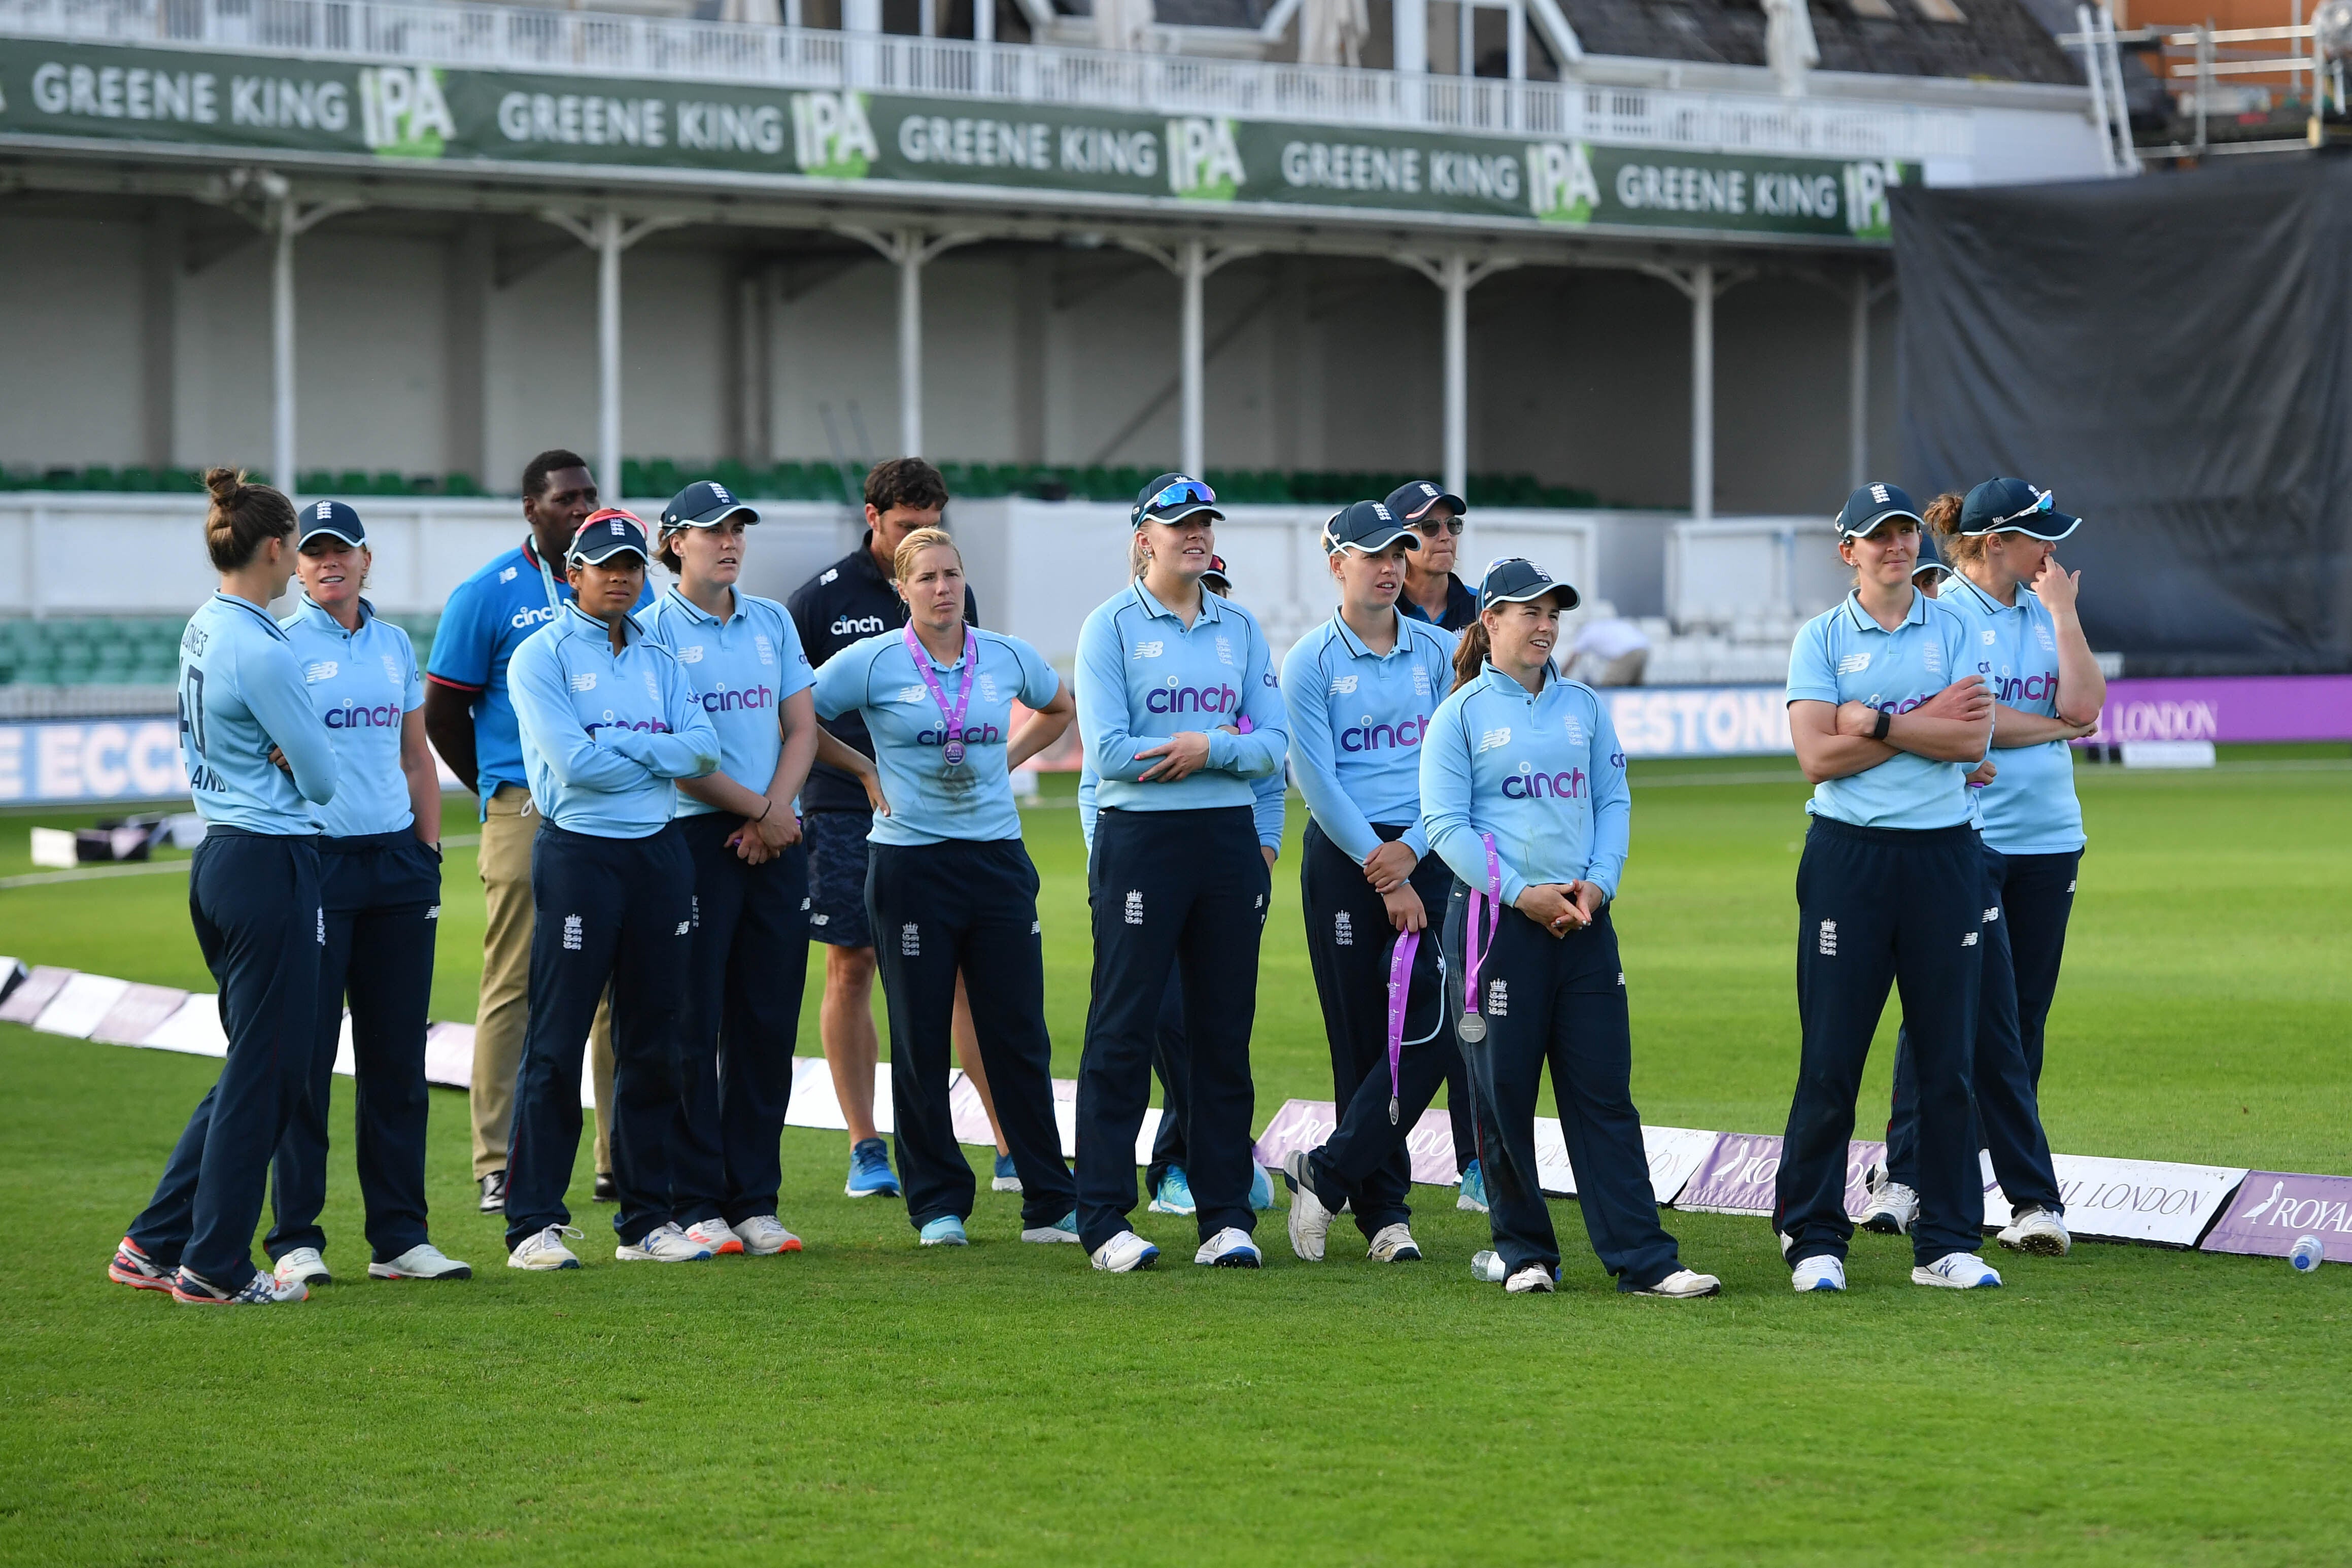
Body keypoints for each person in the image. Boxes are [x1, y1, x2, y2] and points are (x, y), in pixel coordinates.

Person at [1417, 557, 1720, 1299]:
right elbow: (1443, 826)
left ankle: (1643, 1259)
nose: (1545, 626)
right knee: (1502, 1093)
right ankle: (1524, 1251)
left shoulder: (1583, 706)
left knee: (1602, 1094)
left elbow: (1612, 800)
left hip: (1583, 926)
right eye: (1529, 612)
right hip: (1495, 927)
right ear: (1489, 621)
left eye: (1553, 614)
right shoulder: (1459, 714)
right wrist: (1522, 894)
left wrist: (1598, 884)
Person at [811, 526, 1082, 1247]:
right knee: (919, 1033)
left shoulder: (1003, 655)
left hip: (994, 859)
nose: (941, 588)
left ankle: (1050, 1201)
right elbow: (796, 715)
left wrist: (1009, 762)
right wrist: (864, 771)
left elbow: (1060, 708)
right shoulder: (870, 662)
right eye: (925, 576)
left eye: (951, 574)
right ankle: (937, 1204)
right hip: (909, 863)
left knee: (1019, 1034)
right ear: (900, 589)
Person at [110, 468, 338, 1306]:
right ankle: (213, 1265)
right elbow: (320, 779)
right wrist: (302, 736)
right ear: (276, 548)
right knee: (272, 1072)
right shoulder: (260, 643)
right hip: (272, 861)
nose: (297, 572)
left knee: (254, 1064)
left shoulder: (207, 623)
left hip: (222, 858)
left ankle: (156, 1241)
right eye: (293, 555)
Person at [1861, 480, 2103, 1257]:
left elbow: (2086, 708)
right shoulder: (1943, 614)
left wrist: (2063, 613)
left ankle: (1975, 1184)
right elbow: (1973, 725)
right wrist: (2046, 728)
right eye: (2038, 537)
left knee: (2021, 1017)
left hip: (2050, 839)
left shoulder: (2044, 610)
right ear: (1995, 541)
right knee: (1955, 1013)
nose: (2051, 551)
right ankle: (1913, 1178)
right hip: (1970, 840)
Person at [1777, 484, 1999, 1294]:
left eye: (1904, 532)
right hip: (1850, 858)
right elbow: (1815, 758)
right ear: (1848, 551)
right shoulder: (1820, 639)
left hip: (1943, 856)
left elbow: (1970, 735)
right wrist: (1921, 728)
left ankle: (1944, 1240)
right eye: (1876, 537)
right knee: (1831, 1058)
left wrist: (1871, 721)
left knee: (1947, 1060)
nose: (1895, 546)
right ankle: (1810, 1236)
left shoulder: (1954, 626)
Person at [1073, 473, 1289, 1273]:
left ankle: (1225, 1214)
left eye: (1203, 523)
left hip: (1225, 843)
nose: (1194, 534)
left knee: (1222, 1031)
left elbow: (1272, 743)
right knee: (1123, 1028)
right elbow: (1110, 754)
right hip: (1141, 844)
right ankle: (1101, 1216)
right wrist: (1213, 750)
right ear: (1144, 539)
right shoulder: (1110, 627)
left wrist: (1209, 750)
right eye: (1177, 525)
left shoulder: (1238, 626)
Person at [787, 458, 1014, 1200]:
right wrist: (861, 769)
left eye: (933, 522)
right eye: (907, 525)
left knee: (958, 977)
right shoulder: (819, 600)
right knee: (852, 963)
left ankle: (1009, 1145)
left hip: (945, 817)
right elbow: (796, 716)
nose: (923, 540)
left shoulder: (959, 592)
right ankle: (865, 1147)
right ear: (872, 516)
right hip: (848, 806)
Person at [501, 511, 721, 1270]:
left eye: (631, 564)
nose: (621, 575)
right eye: (604, 565)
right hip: (580, 856)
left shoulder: (660, 655)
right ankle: (532, 1221)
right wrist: (650, 752)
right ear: (574, 574)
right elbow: (573, 766)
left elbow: (703, 747)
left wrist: (620, 744)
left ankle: (644, 1219)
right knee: (557, 1043)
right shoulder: (540, 655)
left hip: (658, 854)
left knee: (653, 1040)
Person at [425, 450, 640, 1215]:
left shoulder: (622, 587)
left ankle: (623, 1158)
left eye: (588, 495)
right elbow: (444, 711)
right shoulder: (486, 594)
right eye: (564, 499)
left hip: (615, 806)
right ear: (530, 508)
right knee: (513, 980)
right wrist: (495, 785)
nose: (581, 508)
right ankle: (496, 1159)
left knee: (620, 983)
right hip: (526, 804)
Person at [264, 501, 469, 1288]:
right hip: (314, 864)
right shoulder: (280, 644)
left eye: (340, 551)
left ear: (365, 559)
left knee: (395, 1060)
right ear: (297, 564)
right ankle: (294, 1238)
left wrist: (426, 853)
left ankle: (399, 1237)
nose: (327, 564)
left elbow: (416, 755)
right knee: (306, 1057)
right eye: (313, 554)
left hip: (396, 868)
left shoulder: (392, 644)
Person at [635, 481, 822, 1258]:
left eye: (738, 527)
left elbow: (802, 728)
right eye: (714, 530)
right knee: (691, 1022)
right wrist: (759, 810)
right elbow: (671, 755)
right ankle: (696, 1199)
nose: (731, 540)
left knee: (766, 1024)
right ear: (675, 542)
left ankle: (755, 1197)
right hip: (694, 838)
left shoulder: (771, 619)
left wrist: (773, 813)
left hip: (773, 836)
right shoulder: (646, 630)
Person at [1275, 500, 1461, 1266]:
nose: (1389, 567)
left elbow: (1458, 762)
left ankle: (1325, 1170)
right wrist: (1383, 871)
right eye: (1371, 555)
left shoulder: (1440, 650)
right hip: (1347, 859)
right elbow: (1315, 781)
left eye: (1397, 553)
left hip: (1427, 847)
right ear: (1335, 564)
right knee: (1360, 1035)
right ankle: (1385, 1215)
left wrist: (1414, 850)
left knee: (1438, 1028)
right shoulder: (1308, 661)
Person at [1383, 479, 1485, 1205]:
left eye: (1451, 523)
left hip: (1468, 829)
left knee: (1471, 994)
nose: (1443, 535)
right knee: (1398, 1006)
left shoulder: (1485, 612)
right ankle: (1371, 1164)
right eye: (1427, 527)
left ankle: (1477, 1161)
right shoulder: (1374, 613)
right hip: (1387, 837)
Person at [1386, 481, 1478, 633]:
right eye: (1430, 527)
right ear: (1400, 538)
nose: (1446, 536)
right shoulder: (1380, 612)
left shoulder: (1482, 607)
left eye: (1453, 524)